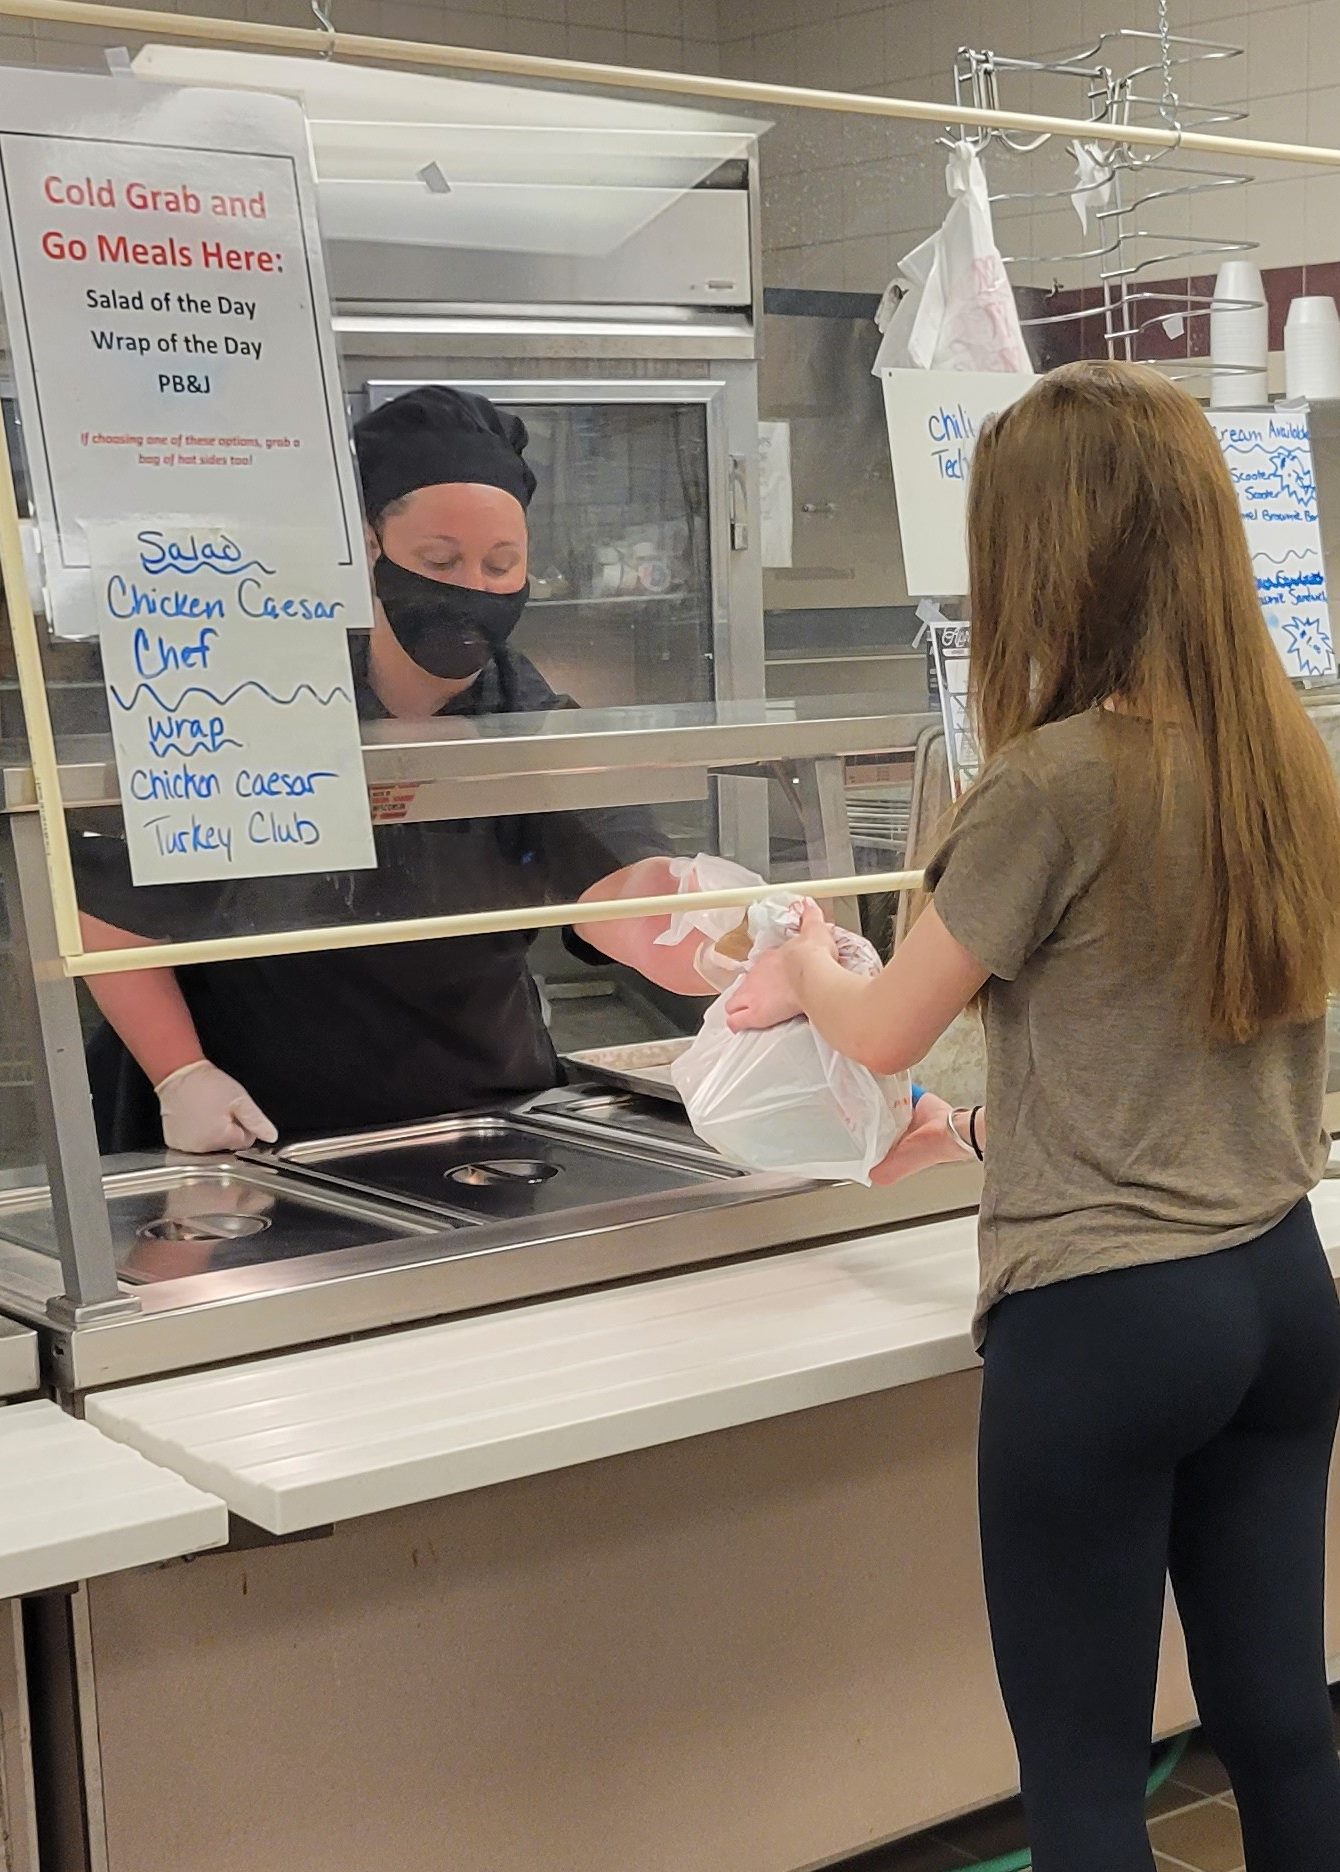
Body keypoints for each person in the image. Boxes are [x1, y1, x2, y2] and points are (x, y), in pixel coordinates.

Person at [728, 360, 1340, 1871]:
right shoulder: (1287, 761)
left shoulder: (1051, 783)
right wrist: (1007, 1123)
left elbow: (886, 1031)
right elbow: (1151, 1023)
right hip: (1279, 1287)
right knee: (1282, 1724)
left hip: (1106, 1318)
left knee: (1080, 1777)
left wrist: (799, 960)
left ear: (1042, 559)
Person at [79, 386, 713, 1153]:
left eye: (502, 564)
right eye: (440, 561)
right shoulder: (258, 697)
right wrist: (181, 1074)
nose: (473, 588)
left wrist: (721, 925)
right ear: (369, 551)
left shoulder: (525, 714)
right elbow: (110, 908)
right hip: (257, 1124)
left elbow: (621, 885)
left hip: (484, 1120)